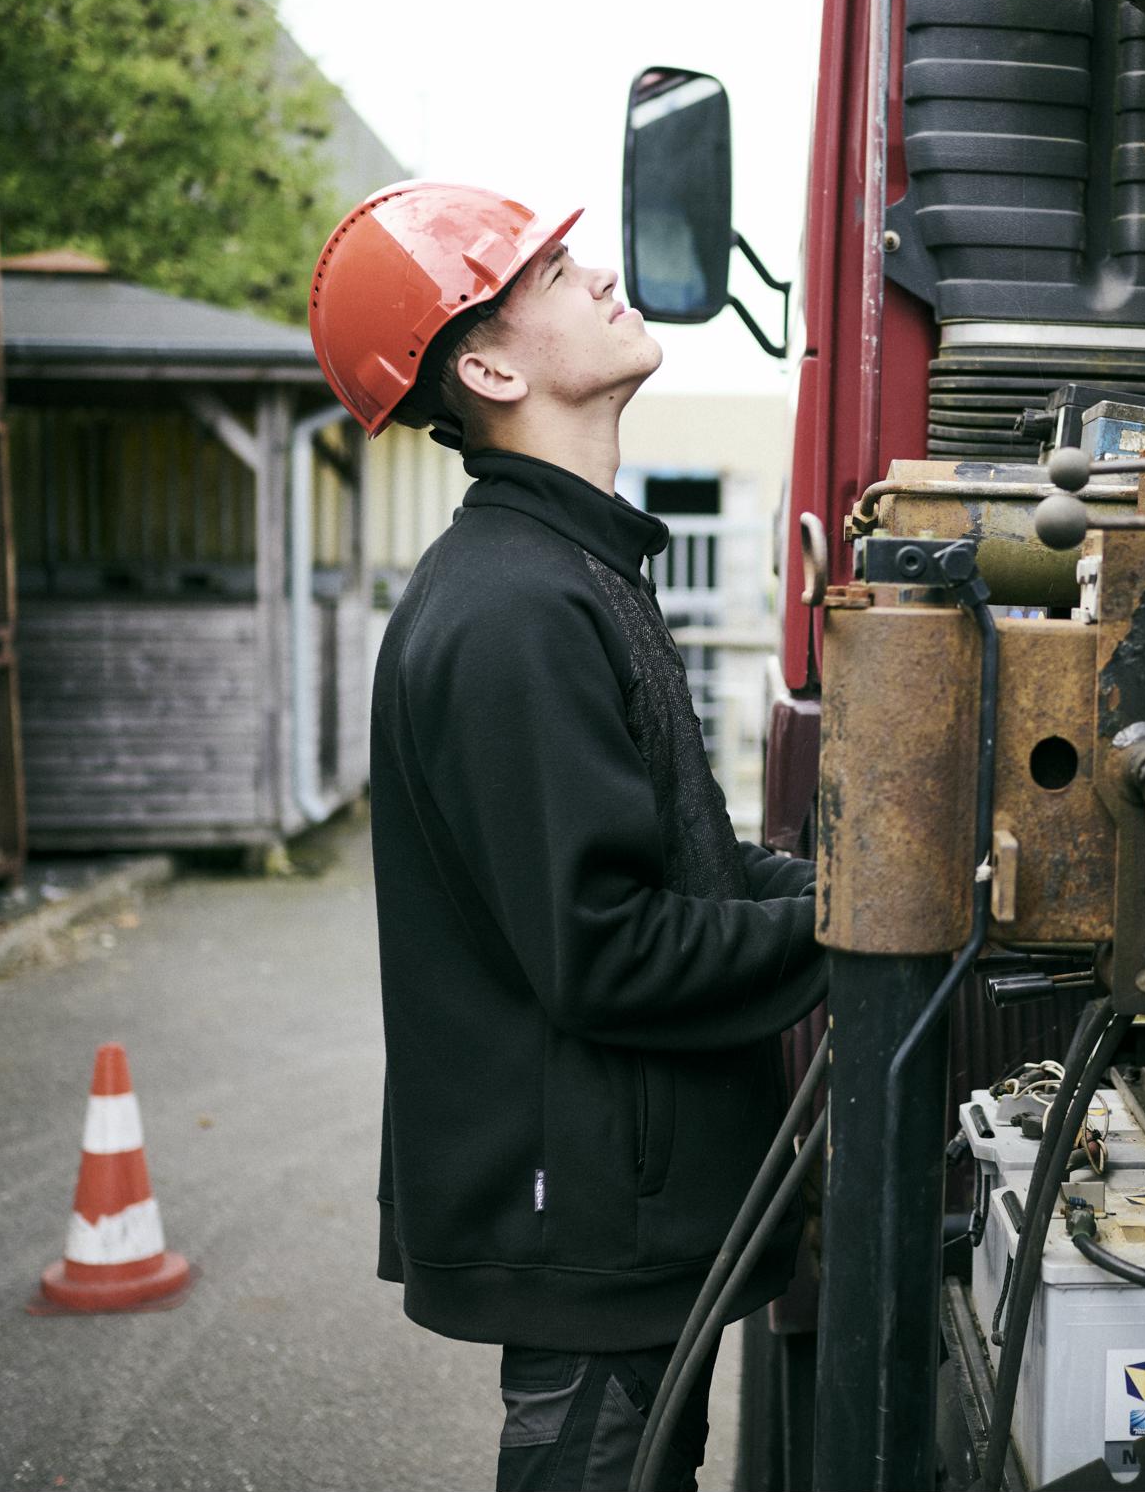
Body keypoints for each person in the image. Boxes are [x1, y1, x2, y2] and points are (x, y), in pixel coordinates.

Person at [309, 183, 826, 1492]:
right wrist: (850, 926)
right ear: (483, 365)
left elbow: (680, 864)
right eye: (544, 274)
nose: (595, 275)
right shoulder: (516, 610)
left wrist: (847, 883)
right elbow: (606, 950)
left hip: (632, 1215)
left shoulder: (571, 572)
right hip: (596, 1229)